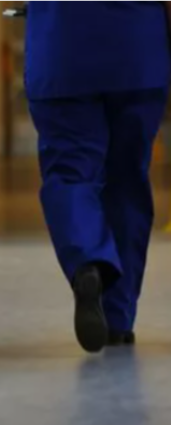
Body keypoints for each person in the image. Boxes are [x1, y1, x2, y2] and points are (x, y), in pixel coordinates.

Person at [25, 0, 171, 352]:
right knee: (127, 180)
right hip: (137, 50)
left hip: (62, 49)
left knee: (70, 172)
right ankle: (118, 319)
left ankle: (88, 261)